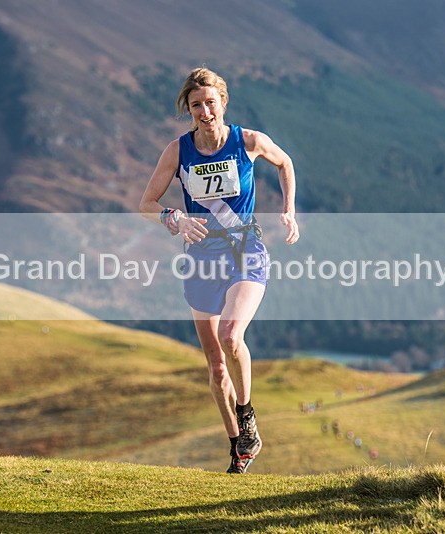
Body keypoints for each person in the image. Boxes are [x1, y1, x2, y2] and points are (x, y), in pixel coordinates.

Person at [140, 67, 299, 474]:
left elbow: (285, 164)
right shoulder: (178, 151)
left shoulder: (249, 141)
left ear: (222, 102)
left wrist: (288, 208)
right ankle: (238, 447)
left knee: (231, 334)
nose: (204, 111)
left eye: (211, 102)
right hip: (201, 260)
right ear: (188, 109)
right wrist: (173, 218)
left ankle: (247, 416)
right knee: (214, 367)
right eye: (196, 105)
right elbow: (146, 204)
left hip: (246, 251)